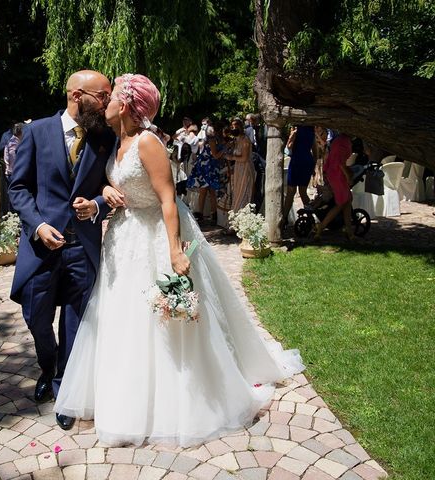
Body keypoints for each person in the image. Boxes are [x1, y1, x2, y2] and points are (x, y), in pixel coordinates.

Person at [54, 73, 304, 447]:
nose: (104, 102)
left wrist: (174, 249)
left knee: (160, 321)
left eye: (111, 96)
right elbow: (112, 182)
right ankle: (121, 395)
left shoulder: (148, 143)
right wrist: (107, 188)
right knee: (121, 315)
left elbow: (169, 199)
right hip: (123, 237)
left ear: (124, 105)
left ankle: (172, 400)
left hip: (155, 234)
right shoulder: (116, 141)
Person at [8, 70, 116, 431]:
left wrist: (98, 203)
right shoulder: (36, 132)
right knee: (36, 315)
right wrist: (37, 225)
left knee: (74, 321)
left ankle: (63, 388)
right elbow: (18, 188)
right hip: (41, 248)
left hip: (81, 247)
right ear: (76, 94)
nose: (107, 103)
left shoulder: (105, 137)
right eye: (102, 96)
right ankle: (47, 365)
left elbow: (111, 185)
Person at [313, 133, 355, 241]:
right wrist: (349, 177)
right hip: (338, 175)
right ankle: (321, 227)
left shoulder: (338, 140)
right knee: (341, 203)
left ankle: (349, 232)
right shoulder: (344, 142)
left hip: (333, 173)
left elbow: (331, 158)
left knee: (347, 200)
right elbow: (341, 163)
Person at [281, 125, 316, 228]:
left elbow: (289, 147)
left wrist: (292, 136)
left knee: (291, 192)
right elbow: (315, 151)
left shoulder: (297, 131)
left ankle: (284, 218)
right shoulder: (311, 132)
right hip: (307, 161)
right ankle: (310, 217)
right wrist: (313, 166)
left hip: (297, 161)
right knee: (303, 191)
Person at [224, 118, 256, 213]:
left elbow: (244, 158)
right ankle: (236, 216)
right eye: (232, 127)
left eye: (236, 126)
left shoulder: (245, 140)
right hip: (238, 168)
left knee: (244, 192)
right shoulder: (236, 140)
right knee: (237, 192)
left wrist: (231, 157)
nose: (234, 128)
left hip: (245, 168)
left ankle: (243, 215)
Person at [1, 122, 24, 212]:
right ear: (20, 132)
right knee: (15, 196)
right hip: (14, 174)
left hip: (12, 173)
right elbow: (15, 162)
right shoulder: (14, 144)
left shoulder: (13, 141)